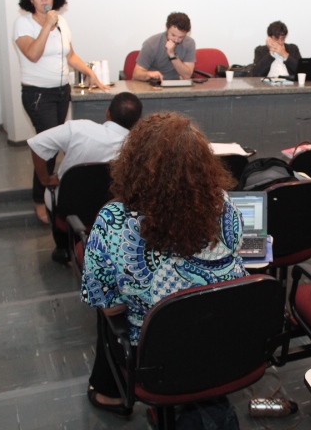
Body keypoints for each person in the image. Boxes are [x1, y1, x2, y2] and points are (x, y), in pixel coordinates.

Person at [81, 113, 247, 416]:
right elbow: (238, 253)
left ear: (132, 162)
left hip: (156, 355)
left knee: (105, 307)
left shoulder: (112, 220)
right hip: (221, 337)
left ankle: (111, 394)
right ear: (203, 163)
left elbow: (111, 309)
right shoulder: (223, 203)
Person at [14, 0, 108, 224]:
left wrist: (91, 73)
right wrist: (47, 25)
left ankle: (53, 192)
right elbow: (33, 54)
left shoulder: (62, 22)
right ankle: (39, 198)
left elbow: (70, 55)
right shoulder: (23, 24)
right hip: (37, 94)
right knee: (47, 145)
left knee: (53, 145)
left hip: (61, 92)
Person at [27, 92, 143, 263]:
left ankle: (63, 247)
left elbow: (37, 144)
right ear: (137, 122)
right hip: (110, 210)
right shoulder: (138, 147)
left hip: (68, 207)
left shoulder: (78, 129)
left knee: (52, 193)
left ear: (108, 112)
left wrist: (45, 179)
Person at [133, 12, 196, 81]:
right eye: (173, 35)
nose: (176, 40)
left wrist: (172, 55)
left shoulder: (189, 43)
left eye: (181, 37)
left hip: (174, 83)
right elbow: (136, 74)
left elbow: (187, 76)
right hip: (151, 83)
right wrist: (149, 74)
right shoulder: (151, 43)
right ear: (167, 28)